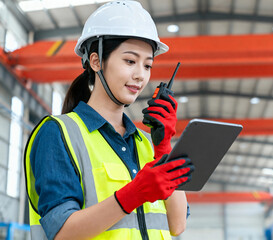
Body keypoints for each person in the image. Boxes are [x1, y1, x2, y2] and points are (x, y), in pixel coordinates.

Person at [24, 1, 194, 239]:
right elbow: (61, 233)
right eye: (130, 61)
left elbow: (177, 225)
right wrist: (135, 193)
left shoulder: (146, 144)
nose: (140, 75)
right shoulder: (59, 133)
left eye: (148, 65)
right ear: (96, 61)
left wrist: (163, 149)